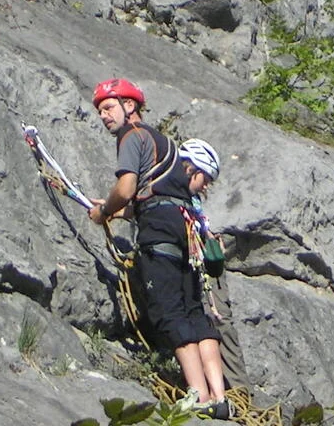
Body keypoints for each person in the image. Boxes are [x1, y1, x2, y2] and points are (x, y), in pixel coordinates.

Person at [86, 78, 229, 419]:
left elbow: (128, 185)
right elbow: (155, 195)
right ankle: (218, 395)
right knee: (195, 311)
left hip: (160, 232)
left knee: (170, 311)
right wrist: (117, 210)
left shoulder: (132, 137)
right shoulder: (165, 145)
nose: (105, 116)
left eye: (109, 107)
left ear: (129, 106)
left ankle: (197, 395)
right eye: (101, 111)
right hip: (184, 231)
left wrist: (105, 210)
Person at [178, 139, 249, 393]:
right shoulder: (175, 195)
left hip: (202, 264)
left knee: (220, 321)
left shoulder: (191, 199)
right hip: (192, 264)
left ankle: (238, 390)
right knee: (212, 322)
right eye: (205, 178)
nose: (207, 185)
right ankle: (222, 388)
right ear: (190, 169)